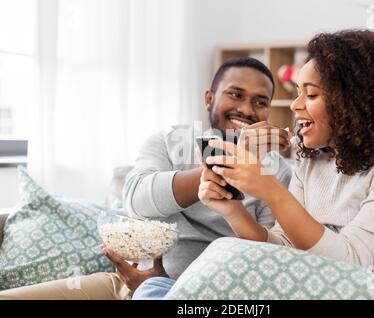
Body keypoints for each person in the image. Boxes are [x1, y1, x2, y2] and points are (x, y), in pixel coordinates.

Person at [137, 30, 374, 300]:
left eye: (310, 95)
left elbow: (353, 262)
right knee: (155, 290)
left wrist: (270, 190)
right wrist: (232, 210)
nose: (295, 106)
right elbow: (280, 245)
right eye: (297, 93)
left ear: (355, 102)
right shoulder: (315, 160)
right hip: (316, 290)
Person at [0, 57, 292, 300]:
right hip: (135, 282)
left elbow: (264, 254)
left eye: (260, 102)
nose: (246, 109)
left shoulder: (276, 172)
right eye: (236, 94)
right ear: (209, 98)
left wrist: (244, 163)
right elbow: (137, 202)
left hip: (216, 294)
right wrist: (217, 170)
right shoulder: (167, 142)